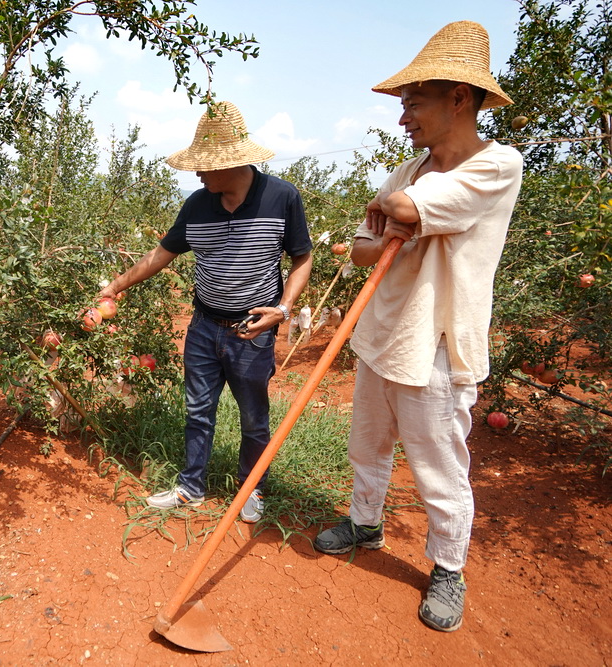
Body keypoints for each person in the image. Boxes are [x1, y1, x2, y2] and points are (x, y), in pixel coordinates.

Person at [312, 21, 524, 633]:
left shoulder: (498, 165)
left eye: (413, 101)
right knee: (367, 444)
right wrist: (388, 218)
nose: (403, 116)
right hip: (381, 330)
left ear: (459, 98)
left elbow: (406, 212)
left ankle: (449, 568)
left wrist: (396, 214)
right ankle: (365, 522)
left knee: (438, 465)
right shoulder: (408, 169)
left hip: (437, 339)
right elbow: (358, 248)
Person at [98, 101, 312, 524]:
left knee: (253, 418)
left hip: (252, 329)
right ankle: (191, 487)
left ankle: (252, 489)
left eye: (205, 166)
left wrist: (283, 310)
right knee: (198, 411)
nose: (197, 173)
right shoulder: (197, 205)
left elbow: (302, 259)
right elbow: (162, 252)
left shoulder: (281, 197)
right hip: (203, 328)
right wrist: (116, 286)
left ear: (232, 164)